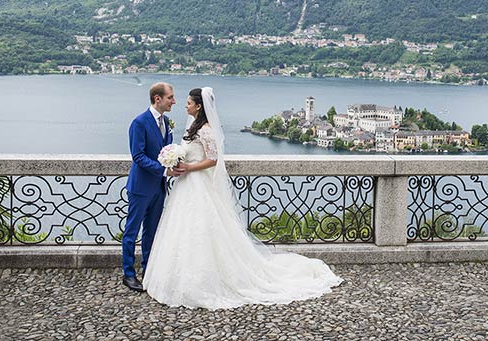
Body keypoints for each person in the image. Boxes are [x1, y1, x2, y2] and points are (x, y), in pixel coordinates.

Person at [143, 87, 342, 309]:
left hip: (198, 183)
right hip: (186, 185)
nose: (184, 105)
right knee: (183, 229)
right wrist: (174, 158)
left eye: (189, 102)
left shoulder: (206, 130)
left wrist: (189, 166)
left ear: (199, 106)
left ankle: (206, 280)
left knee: (201, 229)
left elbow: (213, 159)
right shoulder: (192, 126)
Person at [122, 82, 186, 292]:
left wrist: (173, 164)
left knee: (152, 231)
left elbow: (165, 150)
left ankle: (148, 270)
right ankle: (128, 274)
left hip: (159, 188)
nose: (174, 101)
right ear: (157, 99)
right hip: (141, 187)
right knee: (132, 231)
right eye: (170, 97)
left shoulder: (167, 122)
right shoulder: (139, 123)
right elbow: (138, 156)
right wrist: (164, 170)